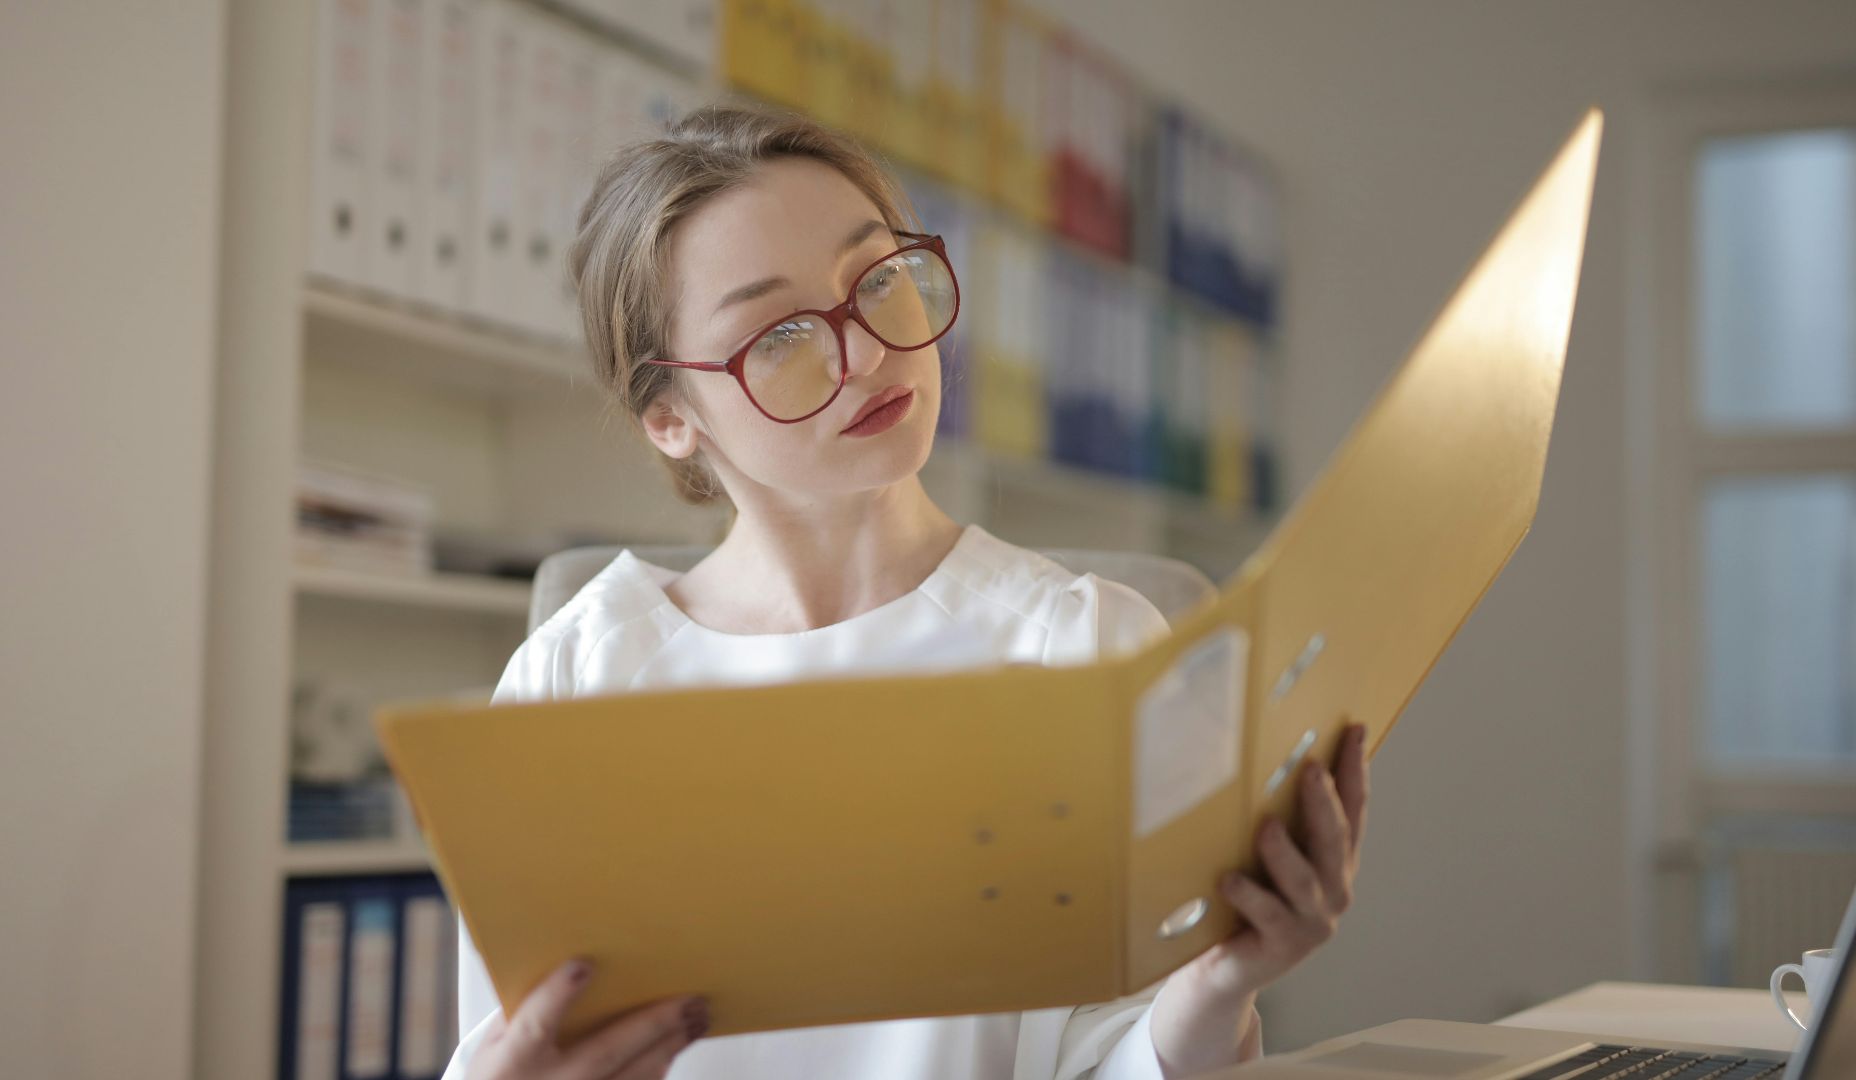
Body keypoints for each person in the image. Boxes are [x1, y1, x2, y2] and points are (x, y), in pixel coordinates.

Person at [448, 103, 1370, 1080]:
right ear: (671, 415)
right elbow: (501, 1053)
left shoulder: (1089, 647)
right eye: (779, 333)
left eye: (878, 280)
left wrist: (1222, 986)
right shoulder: (576, 673)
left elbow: (1123, 1059)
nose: (866, 350)